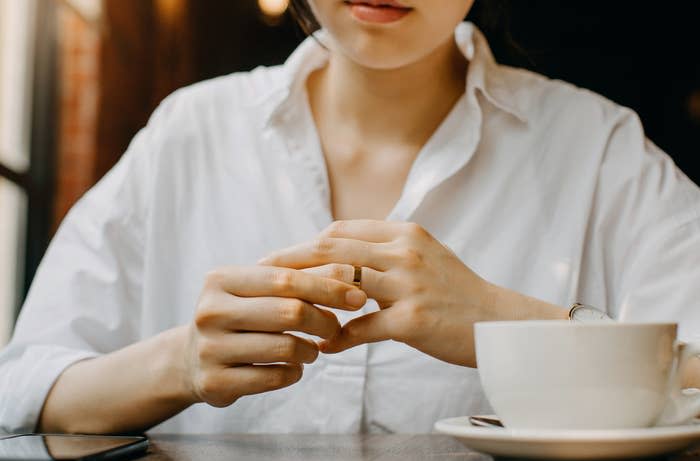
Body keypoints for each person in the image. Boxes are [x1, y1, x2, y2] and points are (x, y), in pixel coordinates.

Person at [1, 0, 699, 435]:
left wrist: (501, 322)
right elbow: (24, 386)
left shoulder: (598, 146)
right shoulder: (190, 132)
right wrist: (181, 363)